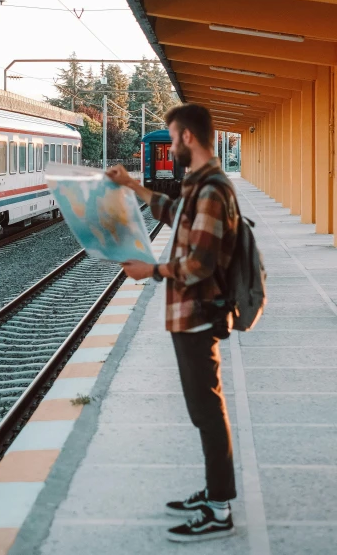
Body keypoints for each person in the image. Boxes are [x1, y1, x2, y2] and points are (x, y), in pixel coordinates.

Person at [107, 103, 239, 543]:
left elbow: (199, 264)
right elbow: (172, 211)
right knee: (203, 411)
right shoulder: (200, 186)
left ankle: (219, 510)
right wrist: (131, 185)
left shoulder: (213, 191)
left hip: (199, 313)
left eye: (172, 136)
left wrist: (153, 271)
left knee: (207, 411)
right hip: (188, 313)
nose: (171, 144)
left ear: (187, 138)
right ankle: (214, 492)